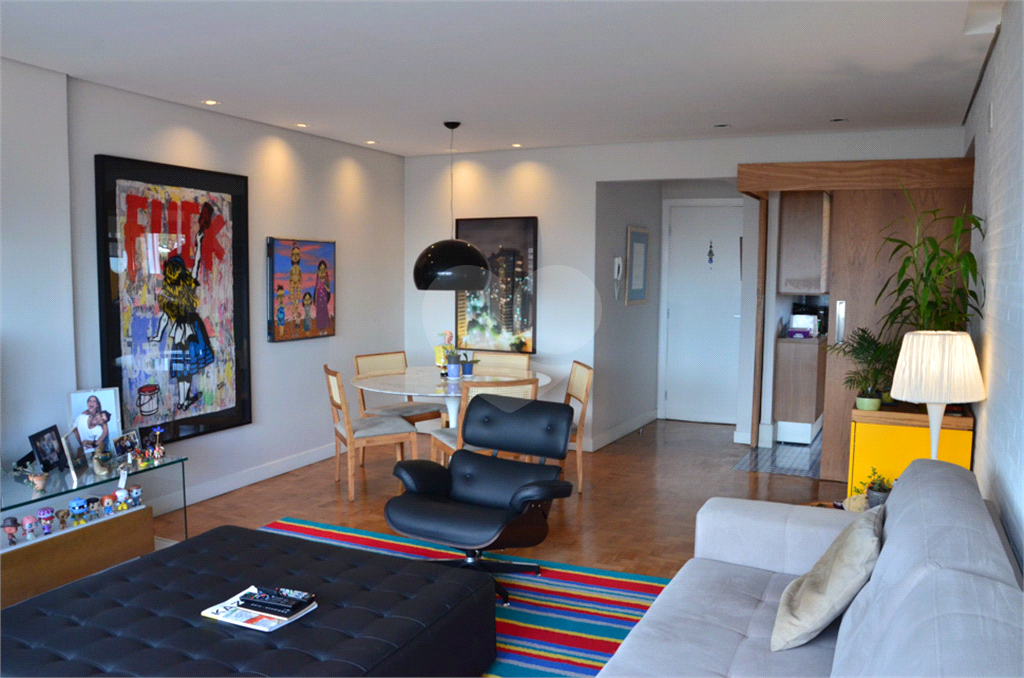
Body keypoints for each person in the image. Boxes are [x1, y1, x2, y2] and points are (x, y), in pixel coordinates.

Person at [149, 203, 216, 411]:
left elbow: (164, 318)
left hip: (182, 332)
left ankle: (183, 399)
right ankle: (183, 400)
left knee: (184, 369)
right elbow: (196, 264)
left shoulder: (169, 294)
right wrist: (199, 243)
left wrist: (158, 335)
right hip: (191, 330)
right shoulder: (185, 287)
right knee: (187, 367)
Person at [314, 259, 331, 332]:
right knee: (319, 314)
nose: (322, 272)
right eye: (320, 270)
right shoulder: (317, 281)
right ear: (318, 271)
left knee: (324, 313)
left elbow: (328, 290)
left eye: (323, 270)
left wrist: (325, 286)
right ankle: (320, 328)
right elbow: (316, 290)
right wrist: (315, 300)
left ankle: (324, 327)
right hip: (318, 300)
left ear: (326, 270)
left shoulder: (326, 280)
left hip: (324, 300)